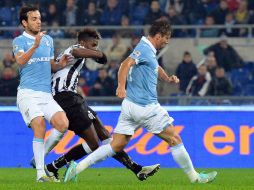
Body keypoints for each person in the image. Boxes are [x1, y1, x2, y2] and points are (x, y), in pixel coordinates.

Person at [63, 20, 217, 183]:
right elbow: (125, 65)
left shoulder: (148, 50)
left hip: (130, 106)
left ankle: (77, 168)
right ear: (158, 36)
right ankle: (195, 178)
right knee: (175, 139)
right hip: (145, 106)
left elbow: (154, 67)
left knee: (115, 146)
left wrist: (167, 78)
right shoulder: (144, 48)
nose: (167, 41)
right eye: (166, 37)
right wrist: (121, 86)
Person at [42, 28, 160, 181]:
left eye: (97, 45)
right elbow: (78, 52)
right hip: (65, 98)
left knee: (104, 135)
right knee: (93, 143)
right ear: (83, 42)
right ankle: (52, 167)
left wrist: (96, 54)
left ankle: (137, 169)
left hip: (72, 98)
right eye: (93, 45)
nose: (95, 48)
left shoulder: (75, 54)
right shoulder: (74, 48)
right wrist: (100, 54)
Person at [12, 6, 70, 182]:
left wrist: (61, 64)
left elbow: (50, 64)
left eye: (39, 18)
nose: (39, 21)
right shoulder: (19, 41)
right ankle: (40, 174)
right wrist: (34, 46)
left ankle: (39, 157)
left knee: (63, 124)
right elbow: (21, 61)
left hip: (45, 94)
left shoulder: (48, 40)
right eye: (34, 19)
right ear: (24, 22)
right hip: (27, 93)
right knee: (39, 125)